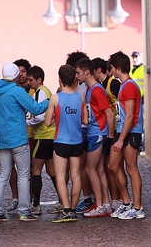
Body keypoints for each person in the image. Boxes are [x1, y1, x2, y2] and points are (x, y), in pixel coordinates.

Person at [0, 62, 49, 222]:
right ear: (16, 75)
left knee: (3, 174)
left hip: (2, 138)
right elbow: (36, 109)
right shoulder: (16, 91)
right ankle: (24, 211)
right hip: (19, 139)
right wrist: (50, 100)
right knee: (23, 175)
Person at [45, 64, 88, 223]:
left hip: (61, 141)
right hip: (77, 141)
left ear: (60, 79)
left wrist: (57, 116)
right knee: (76, 176)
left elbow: (48, 122)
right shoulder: (80, 97)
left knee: (61, 177)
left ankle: (66, 209)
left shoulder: (56, 98)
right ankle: (73, 211)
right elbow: (85, 120)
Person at [74, 58, 115, 218]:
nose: (76, 76)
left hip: (97, 133)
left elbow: (109, 114)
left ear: (86, 72)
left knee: (89, 169)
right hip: (95, 132)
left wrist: (109, 136)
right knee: (98, 170)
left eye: (78, 73)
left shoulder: (96, 90)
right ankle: (105, 204)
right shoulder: (91, 89)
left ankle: (99, 205)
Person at [107, 51, 145, 219]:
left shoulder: (129, 86)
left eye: (112, 68)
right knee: (113, 166)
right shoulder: (123, 85)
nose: (111, 71)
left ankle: (137, 208)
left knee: (131, 168)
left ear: (119, 68)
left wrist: (121, 139)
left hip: (131, 131)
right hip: (122, 130)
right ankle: (126, 202)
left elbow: (130, 116)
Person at [64, 51, 95, 215]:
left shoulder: (82, 88)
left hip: (82, 131)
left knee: (83, 168)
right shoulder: (82, 86)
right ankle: (91, 198)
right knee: (83, 168)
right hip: (82, 130)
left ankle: (89, 198)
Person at [92, 57, 124, 211]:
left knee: (115, 166)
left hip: (117, 130)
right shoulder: (98, 86)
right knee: (107, 167)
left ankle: (121, 199)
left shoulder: (113, 84)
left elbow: (121, 106)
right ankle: (115, 199)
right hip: (107, 130)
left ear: (98, 70)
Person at [25, 65, 57, 215]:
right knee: (51, 170)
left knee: (35, 169)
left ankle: (36, 205)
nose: (29, 83)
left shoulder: (40, 93)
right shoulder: (46, 91)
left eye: (31, 80)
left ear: (39, 79)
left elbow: (39, 116)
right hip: (50, 136)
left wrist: (27, 123)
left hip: (43, 136)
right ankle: (63, 202)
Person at [6, 58, 33, 212]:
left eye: (23, 71)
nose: (21, 74)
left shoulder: (33, 90)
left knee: (28, 170)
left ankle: (28, 200)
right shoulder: (12, 90)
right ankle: (16, 198)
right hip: (16, 135)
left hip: (31, 134)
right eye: (19, 71)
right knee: (11, 169)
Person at [130, 51, 145, 152]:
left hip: (141, 99)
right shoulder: (132, 70)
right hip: (133, 100)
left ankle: (141, 145)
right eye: (133, 57)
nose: (135, 59)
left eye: (136, 57)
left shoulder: (143, 69)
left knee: (141, 122)